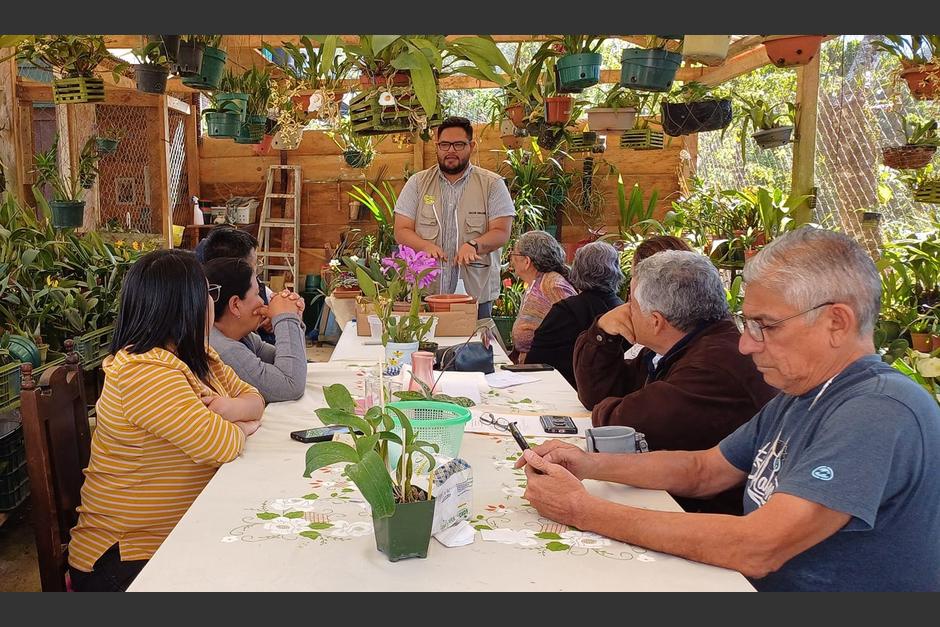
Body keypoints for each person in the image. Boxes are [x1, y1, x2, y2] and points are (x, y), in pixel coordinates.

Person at [517, 228, 940, 591]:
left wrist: (583, 510)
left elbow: (758, 546)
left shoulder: (879, 410)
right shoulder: (803, 395)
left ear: (836, 322)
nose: (746, 343)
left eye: (766, 326)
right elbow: (705, 470)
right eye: (747, 323)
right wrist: (587, 465)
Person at [68, 249, 265, 592]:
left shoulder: (196, 355)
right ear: (183, 303)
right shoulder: (144, 371)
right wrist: (239, 425)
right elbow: (222, 444)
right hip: (127, 555)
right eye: (207, 293)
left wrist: (228, 412)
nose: (210, 302)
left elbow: (255, 399)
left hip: (179, 530)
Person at [572, 250, 776, 514]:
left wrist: (611, 405)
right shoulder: (685, 344)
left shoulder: (714, 366)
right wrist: (602, 333)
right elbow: (598, 394)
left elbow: (620, 423)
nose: (623, 311)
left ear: (656, 321)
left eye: (631, 304)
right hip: (687, 503)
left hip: (711, 516)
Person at [393, 116, 515, 319]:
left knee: (473, 349)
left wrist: (474, 245)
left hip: (475, 295)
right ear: (437, 146)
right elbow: (401, 230)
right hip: (425, 294)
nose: (451, 151)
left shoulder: (492, 184)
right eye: (445, 145)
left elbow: (502, 232)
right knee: (423, 349)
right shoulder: (417, 183)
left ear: (471, 146)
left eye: (458, 144)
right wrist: (425, 246)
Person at [204, 257, 308, 402]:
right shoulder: (223, 350)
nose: (262, 301)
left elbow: (291, 364)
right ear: (235, 305)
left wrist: (290, 318)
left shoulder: (240, 336)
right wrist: (286, 318)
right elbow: (290, 385)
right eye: (257, 293)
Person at [525, 241, 624, 388]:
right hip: (611, 396)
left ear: (577, 270)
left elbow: (534, 361)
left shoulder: (564, 311)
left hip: (558, 392)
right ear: (616, 270)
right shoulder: (625, 313)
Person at [509, 230, 577, 363]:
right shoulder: (538, 282)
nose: (511, 259)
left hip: (550, 370)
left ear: (527, 261)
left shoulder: (553, 284)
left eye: (513, 254)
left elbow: (573, 327)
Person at [201, 227, 276, 345]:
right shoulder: (221, 346)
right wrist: (286, 320)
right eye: (255, 263)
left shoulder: (249, 339)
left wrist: (278, 316)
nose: (261, 300)